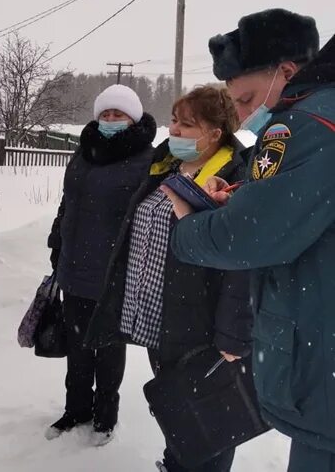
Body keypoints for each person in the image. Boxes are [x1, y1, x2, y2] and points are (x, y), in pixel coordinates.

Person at [165, 9, 335, 472]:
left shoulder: (302, 125)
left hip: (322, 372)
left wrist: (188, 225)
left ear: (286, 72)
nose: (242, 113)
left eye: (245, 98)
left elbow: (249, 238)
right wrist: (244, 200)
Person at [86, 86, 253, 471]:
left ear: (215, 132)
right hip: (159, 322)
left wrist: (232, 334)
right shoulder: (164, 167)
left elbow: (242, 265)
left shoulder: (235, 179)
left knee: (208, 423)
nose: (174, 130)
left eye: (187, 124)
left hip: (201, 328)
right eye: (174, 121)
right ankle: (173, 462)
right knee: (176, 410)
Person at [46, 84, 156, 446]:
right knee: (77, 348)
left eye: (118, 115)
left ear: (133, 118)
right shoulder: (83, 153)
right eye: (105, 114)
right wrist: (56, 241)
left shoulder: (146, 160)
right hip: (75, 268)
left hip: (115, 274)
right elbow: (67, 204)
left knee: (108, 350)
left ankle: (105, 417)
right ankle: (76, 409)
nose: (110, 120)